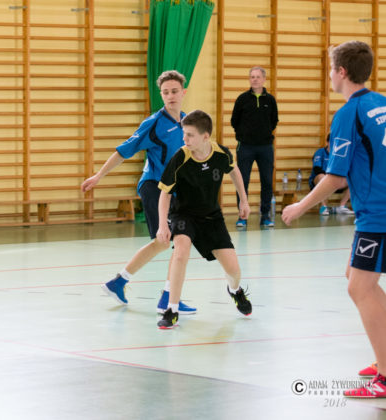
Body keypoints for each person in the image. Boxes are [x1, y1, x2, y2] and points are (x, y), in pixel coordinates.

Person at [282, 41, 386, 398]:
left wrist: (300, 207)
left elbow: (336, 177)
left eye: (330, 68)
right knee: (356, 279)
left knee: (360, 287)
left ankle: (385, 376)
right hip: (378, 211)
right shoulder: (381, 103)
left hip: (377, 214)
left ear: (341, 72)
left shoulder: (348, 114)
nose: (329, 75)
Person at [81, 70, 196, 315]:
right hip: (154, 186)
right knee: (174, 241)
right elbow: (124, 151)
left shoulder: (188, 123)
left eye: (174, 91)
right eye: (165, 92)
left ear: (183, 92)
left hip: (174, 191)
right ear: (161, 95)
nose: (170, 96)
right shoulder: (153, 123)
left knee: (167, 242)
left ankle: (120, 283)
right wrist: (99, 175)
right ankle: (166, 298)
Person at [155, 110, 253, 329]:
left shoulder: (221, 154)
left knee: (233, 270)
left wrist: (243, 201)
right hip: (184, 215)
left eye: (190, 135)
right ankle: (172, 309)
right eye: (184, 133)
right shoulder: (180, 157)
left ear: (205, 136)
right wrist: (162, 225)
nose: (185, 139)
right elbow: (165, 193)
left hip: (211, 217)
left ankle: (235, 291)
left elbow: (234, 171)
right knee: (180, 254)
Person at [231, 66, 278, 228]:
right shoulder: (242, 99)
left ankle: (265, 216)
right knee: (242, 182)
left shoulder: (270, 100)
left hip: (265, 147)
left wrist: (262, 133)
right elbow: (234, 121)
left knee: (267, 181)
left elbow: (274, 121)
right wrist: (245, 134)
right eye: (252, 77)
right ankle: (242, 216)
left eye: (258, 77)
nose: (255, 79)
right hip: (245, 147)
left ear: (264, 79)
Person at [309, 134, 353, 216]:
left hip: (336, 181)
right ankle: (324, 207)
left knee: (354, 179)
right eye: (332, 142)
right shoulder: (320, 152)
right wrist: (331, 177)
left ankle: (342, 206)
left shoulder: (340, 154)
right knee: (322, 177)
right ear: (327, 142)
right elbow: (317, 169)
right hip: (319, 180)